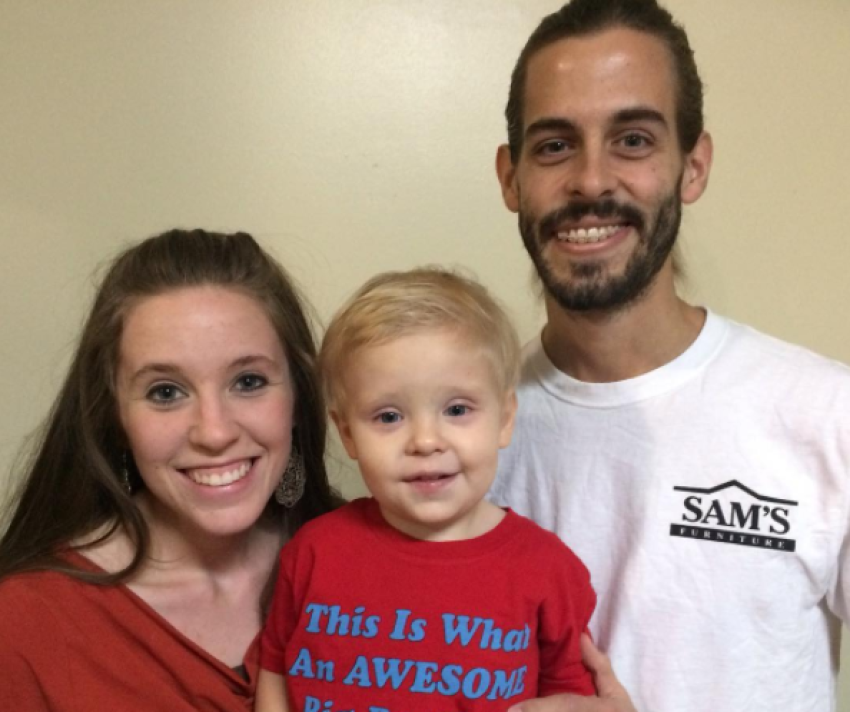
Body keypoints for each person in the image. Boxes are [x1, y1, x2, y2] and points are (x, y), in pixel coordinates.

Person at [490, 1, 850, 711]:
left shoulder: (826, 413)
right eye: (555, 146)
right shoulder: (456, 441)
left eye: (632, 140)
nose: (592, 181)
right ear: (511, 178)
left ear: (693, 166)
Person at [0, 229, 340, 710]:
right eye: (165, 392)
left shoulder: (379, 557)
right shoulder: (24, 624)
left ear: (299, 395)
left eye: (248, 381)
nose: (214, 432)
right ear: (115, 414)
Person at [256, 268, 597, 712]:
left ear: (505, 418)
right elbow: (276, 669)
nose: (425, 441)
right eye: (389, 417)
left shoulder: (549, 571)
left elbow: (571, 700)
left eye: (456, 409)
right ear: (348, 434)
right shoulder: (312, 552)